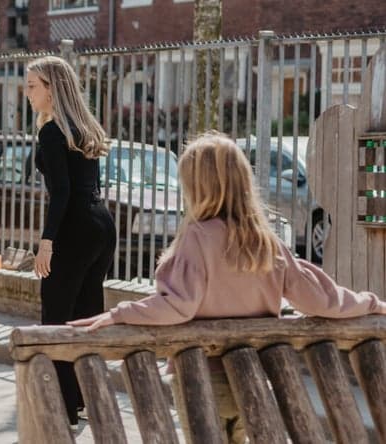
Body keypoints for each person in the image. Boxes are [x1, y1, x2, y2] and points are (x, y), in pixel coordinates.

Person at [69, 132, 386, 443]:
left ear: (197, 186)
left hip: (201, 376)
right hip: (254, 377)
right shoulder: (266, 243)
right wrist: (371, 303)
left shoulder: (197, 237)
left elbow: (178, 306)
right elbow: (321, 300)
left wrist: (120, 313)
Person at [23, 55, 116, 427]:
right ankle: (86, 399)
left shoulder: (52, 131)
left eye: (32, 85)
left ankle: (64, 405)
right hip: (100, 225)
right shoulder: (83, 127)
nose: (27, 92)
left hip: (74, 228)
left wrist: (47, 242)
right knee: (86, 316)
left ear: (52, 89)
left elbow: (60, 192)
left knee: (57, 317)